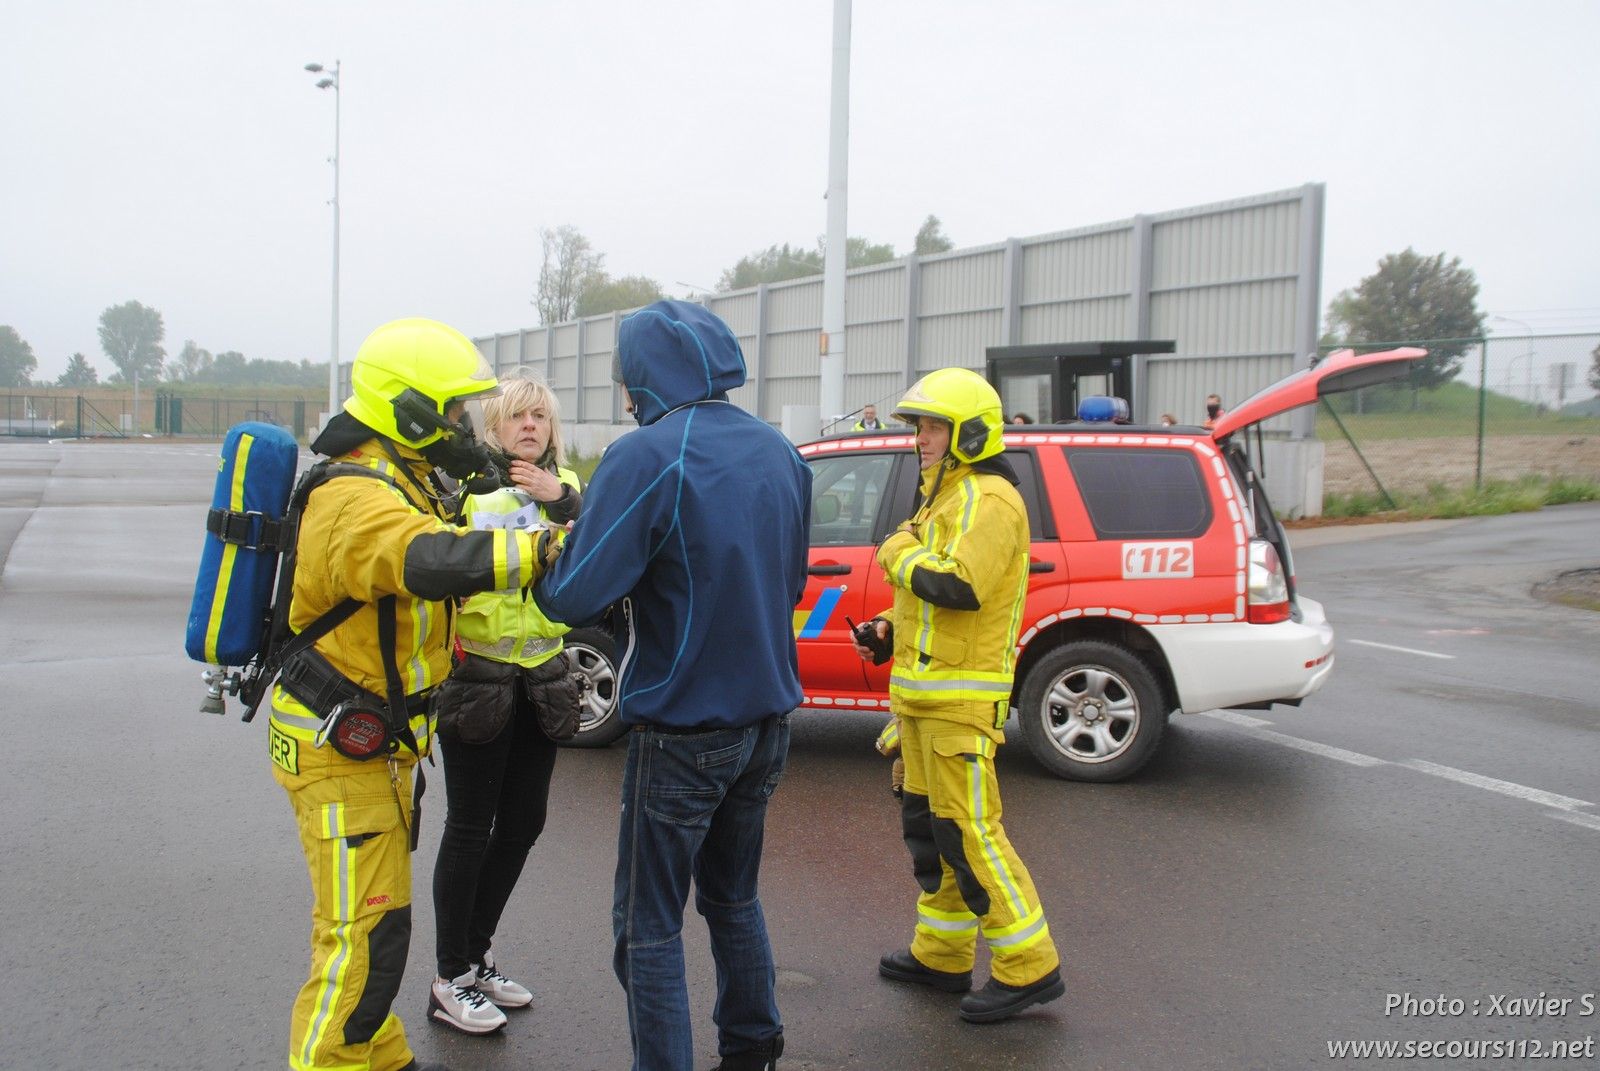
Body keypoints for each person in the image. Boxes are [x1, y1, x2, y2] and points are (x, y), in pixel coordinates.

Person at [268, 317, 556, 1071]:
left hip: (370, 748)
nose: (464, 424)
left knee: (380, 921)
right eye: (454, 411)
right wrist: (541, 547)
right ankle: (332, 1059)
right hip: (339, 749)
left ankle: (377, 1049)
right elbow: (428, 557)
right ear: (412, 412)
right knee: (358, 934)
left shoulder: (396, 476)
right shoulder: (356, 498)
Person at [534, 300, 811, 1071]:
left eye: (630, 378)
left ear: (651, 375)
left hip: (685, 728)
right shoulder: (780, 451)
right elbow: (787, 581)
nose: (626, 394)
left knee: (648, 923)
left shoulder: (647, 453)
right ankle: (753, 1046)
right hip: (767, 722)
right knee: (732, 898)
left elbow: (574, 595)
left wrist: (543, 560)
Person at [855, 367, 1064, 1024]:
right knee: (930, 833)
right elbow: (928, 595)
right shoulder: (944, 497)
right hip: (921, 699)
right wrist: (887, 630)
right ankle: (942, 955)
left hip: (958, 705)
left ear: (969, 433)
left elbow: (959, 584)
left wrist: (894, 550)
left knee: (970, 834)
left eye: (931, 426)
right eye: (919, 425)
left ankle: (1030, 966)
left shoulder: (990, 499)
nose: (920, 437)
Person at [427, 373, 584, 1035]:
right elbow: (436, 562)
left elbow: (604, 535)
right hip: (479, 677)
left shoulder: (567, 488)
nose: (529, 426)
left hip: (541, 680)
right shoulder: (471, 492)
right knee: (468, 826)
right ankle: (449, 976)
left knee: (523, 823)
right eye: (517, 416)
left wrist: (564, 498)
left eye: (539, 417)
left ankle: (478, 953)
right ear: (495, 427)